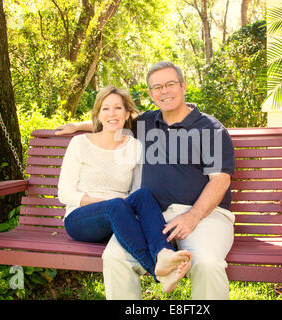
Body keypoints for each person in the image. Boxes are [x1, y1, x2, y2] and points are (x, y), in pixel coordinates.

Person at [56, 61, 235, 300]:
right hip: (150, 217)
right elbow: (112, 121)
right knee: (115, 258)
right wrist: (79, 125)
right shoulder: (147, 123)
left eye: (170, 84)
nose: (164, 91)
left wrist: (193, 216)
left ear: (183, 86)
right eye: (157, 87)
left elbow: (220, 180)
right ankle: (160, 265)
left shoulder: (210, 128)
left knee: (208, 263)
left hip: (204, 216)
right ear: (151, 94)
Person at [58, 85, 193, 294]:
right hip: (80, 219)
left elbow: (136, 190)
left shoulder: (134, 146)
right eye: (106, 108)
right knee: (116, 205)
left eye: (118, 108)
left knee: (144, 195)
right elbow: (65, 193)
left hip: (119, 216)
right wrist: (107, 204)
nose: (112, 113)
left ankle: (164, 253)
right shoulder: (80, 143)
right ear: (98, 114)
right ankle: (158, 271)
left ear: (127, 113)